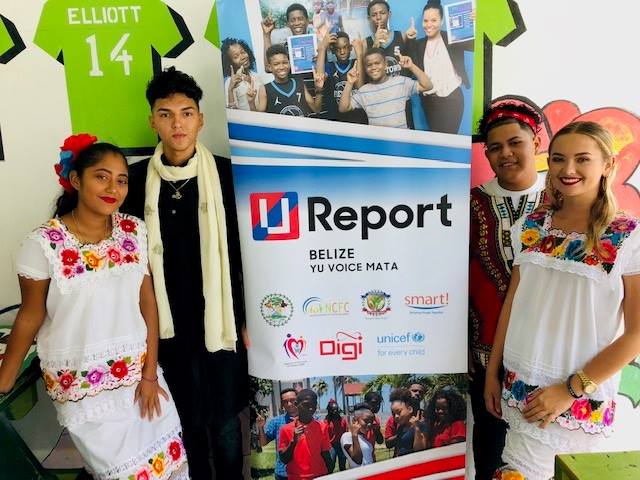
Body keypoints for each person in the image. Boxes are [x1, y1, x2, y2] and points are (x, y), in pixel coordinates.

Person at [0, 135, 188, 479]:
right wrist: (5, 378)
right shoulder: (43, 244)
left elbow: (148, 304)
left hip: (141, 378)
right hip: (83, 387)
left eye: (121, 180)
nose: (113, 188)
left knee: (171, 469)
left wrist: (149, 374)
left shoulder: (133, 231)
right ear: (76, 180)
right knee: (120, 473)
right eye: (101, 177)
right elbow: (30, 315)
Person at [484, 121, 640, 480]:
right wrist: (493, 372)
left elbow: (635, 335)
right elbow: (513, 302)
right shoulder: (532, 225)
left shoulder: (628, 236)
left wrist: (570, 390)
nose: (568, 169)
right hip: (520, 389)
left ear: (608, 165)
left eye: (582, 159)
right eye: (558, 159)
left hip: (576, 399)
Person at [120, 67, 248, 480]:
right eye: (166, 114)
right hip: (165, 323)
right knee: (184, 419)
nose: (178, 124)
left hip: (221, 318)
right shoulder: (133, 182)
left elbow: (247, 253)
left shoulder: (228, 175)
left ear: (200, 119)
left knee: (225, 423)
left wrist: (249, 318)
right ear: (152, 121)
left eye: (186, 113)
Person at [469, 102, 546, 480]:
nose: (506, 154)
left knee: (545, 458)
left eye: (515, 143)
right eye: (495, 147)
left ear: (536, 143)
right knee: (492, 456)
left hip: (549, 356)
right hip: (487, 359)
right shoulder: (470, 204)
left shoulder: (565, 200)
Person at [406, 0, 473, 134]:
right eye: (425, 21)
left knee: (449, 138)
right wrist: (410, 40)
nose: (428, 25)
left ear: (441, 21)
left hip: (452, 98)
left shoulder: (452, 37)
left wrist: (476, 23)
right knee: (437, 139)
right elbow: (411, 68)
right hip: (430, 101)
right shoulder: (419, 44)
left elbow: (475, 45)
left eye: (434, 20)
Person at [338, 47, 432, 128]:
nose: (373, 67)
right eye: (369, 65)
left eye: (377, 63)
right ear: (365, 68)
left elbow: (427, 86)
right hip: (378, 141)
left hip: (400, 138)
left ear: (386, 64)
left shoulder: (400, 82)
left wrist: (411, 66)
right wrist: (349, 83)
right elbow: (343, 108)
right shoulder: (363, 91)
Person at [254, 44, 325, 116]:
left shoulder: (299, 83)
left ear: (290, 63)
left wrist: (318, 89)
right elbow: (259, 116)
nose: (281, 67)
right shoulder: (265, 89)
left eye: (285, 63)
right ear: (269, 67)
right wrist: (251, 102)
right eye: (276, 64)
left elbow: (317, 109)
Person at [279, 389, 332, 480]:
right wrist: (294, 441)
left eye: (314, 405)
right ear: (296, 404)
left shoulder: (322, 427)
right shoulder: (286, 429)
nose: (311, 408)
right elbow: (284, 459)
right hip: (296, 477)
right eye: (306, 405)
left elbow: (326, 455)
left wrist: (330, 474)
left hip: (320, 475)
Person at [315, 31, 367, 124]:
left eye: (345, 47)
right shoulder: (330, 66)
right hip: (335, 120)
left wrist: (359, 55)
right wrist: (322, 48)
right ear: (333, 51)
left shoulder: (356, 63)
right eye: (338, 49)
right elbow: (319, 78)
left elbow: (360, 87)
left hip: (357, 118)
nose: (342, 52)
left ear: (350, 48)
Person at [257, 388, 299, 480]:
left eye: (292, 400)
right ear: (282, 404)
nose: (289, 404)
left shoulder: (310, 420)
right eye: (285, 402)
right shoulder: (276, 422)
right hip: (283, 473)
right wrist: (260, 427)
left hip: (304, 472)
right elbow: (263, 443)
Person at [222, 37, 272, 111]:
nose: (242, 57)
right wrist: (230, 90)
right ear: (230, 62)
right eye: (236, 57)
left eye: (243, 52)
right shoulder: (230, 82)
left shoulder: (256, 76)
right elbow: (232, 112)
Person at [387, 387, 425, 456]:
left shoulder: (421, 425)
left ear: (410, 409)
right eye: (393, 413)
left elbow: (420, 450)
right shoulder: (401, 428)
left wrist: (417, 429)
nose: (396, 416)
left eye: (399, 412)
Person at [340, 403, 375, 468]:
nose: (369, 424)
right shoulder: (347, 436)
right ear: (354, 421)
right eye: (366, 420)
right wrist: (354, 435)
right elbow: (358, 460)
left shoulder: (364, 438)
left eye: (371, 421)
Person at [324, 399, 348, 472]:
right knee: (331, 465)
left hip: (341, 444)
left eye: (336, 409)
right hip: (331, 445)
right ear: (329, 410)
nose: (335, 411)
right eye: (333, 410)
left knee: (342, 465)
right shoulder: (326, 422)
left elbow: (346, 432)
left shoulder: (343, 420)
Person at [362, 390, 384, 457]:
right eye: (374, 403)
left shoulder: (376, 420)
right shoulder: (359, 419)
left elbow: (380, 441)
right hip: (360, 458)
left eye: (378, 404)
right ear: (365, 402)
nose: (377, 406)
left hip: (371, 457)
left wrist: (377, 430)